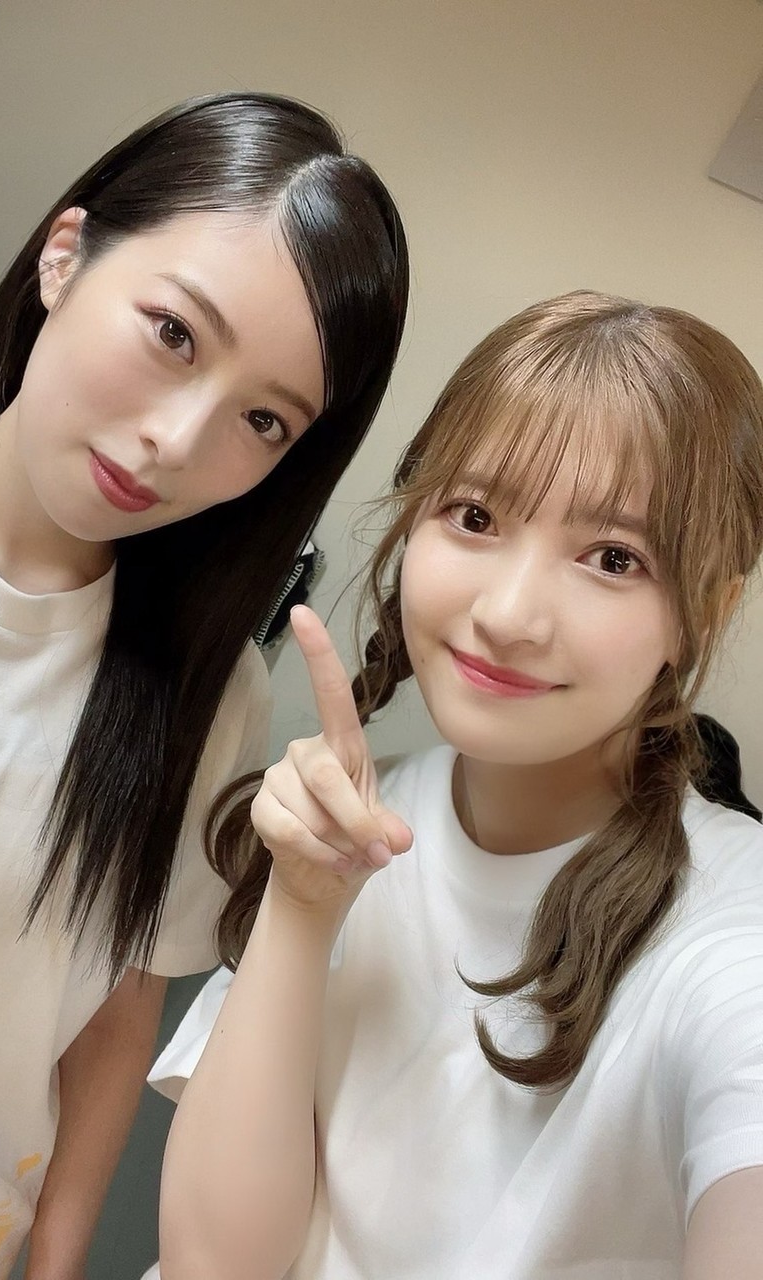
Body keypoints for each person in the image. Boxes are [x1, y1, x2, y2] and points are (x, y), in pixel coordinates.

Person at [0, 92, 408, 1280]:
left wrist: (58, 1259)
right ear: (64, 255)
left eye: (263, 418)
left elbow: (116, 1007)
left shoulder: (207, 701)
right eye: (176, 332)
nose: (179, 439)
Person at [151, 291, 763, 1280]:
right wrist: (301, 906)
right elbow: (214, 1264)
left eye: (613, 558)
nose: (510, 613)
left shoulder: (733, 932)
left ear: (705, 612)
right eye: (474, 515)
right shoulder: (347, 824)